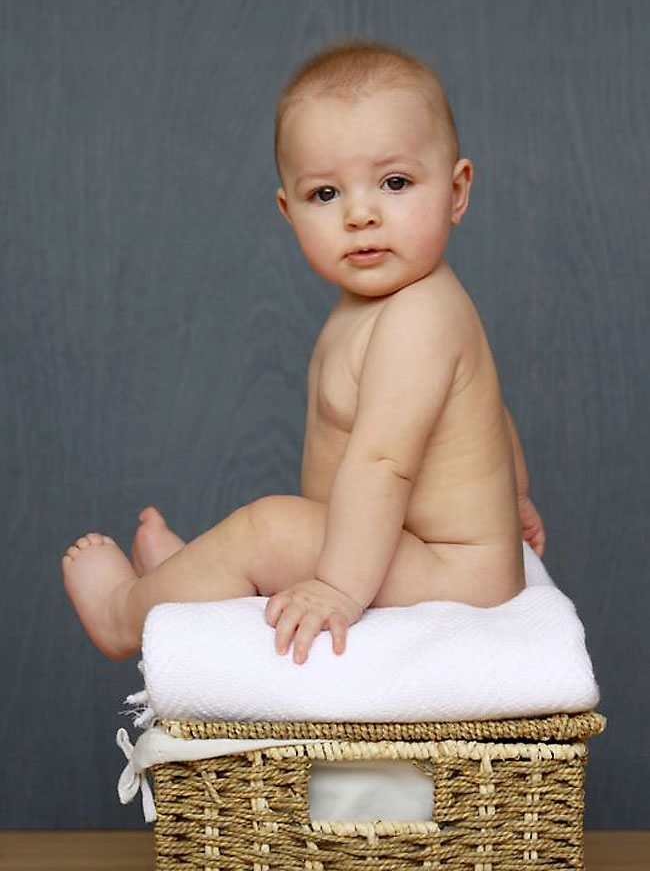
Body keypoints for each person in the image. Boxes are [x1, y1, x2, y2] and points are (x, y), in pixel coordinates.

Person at [62, 39, 545, 665]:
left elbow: (383, 463)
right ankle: (192, 581)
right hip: (416, 551)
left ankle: (124, 613)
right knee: (278, 532)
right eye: (326, 194)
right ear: (288, 210)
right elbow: (488, 413)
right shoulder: (379, 305)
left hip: (456, 579)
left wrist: (338, 588)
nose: (361, 214)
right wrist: (516, 496)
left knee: (268, 528)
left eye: (395, 182)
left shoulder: (419, 315)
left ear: (456, 191)